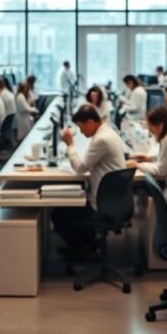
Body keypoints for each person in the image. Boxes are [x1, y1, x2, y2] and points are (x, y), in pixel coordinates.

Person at [51, 104, 127, 257]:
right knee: (72, 207)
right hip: (114, 200)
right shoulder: (107, 132)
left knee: (58, 214)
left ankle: (84, 249)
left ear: (91, 123)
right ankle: (89, 244)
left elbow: (80, 168)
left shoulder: (101, 140)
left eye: (81, 128)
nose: (81, 131)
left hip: (104, 204)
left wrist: (70, 145)